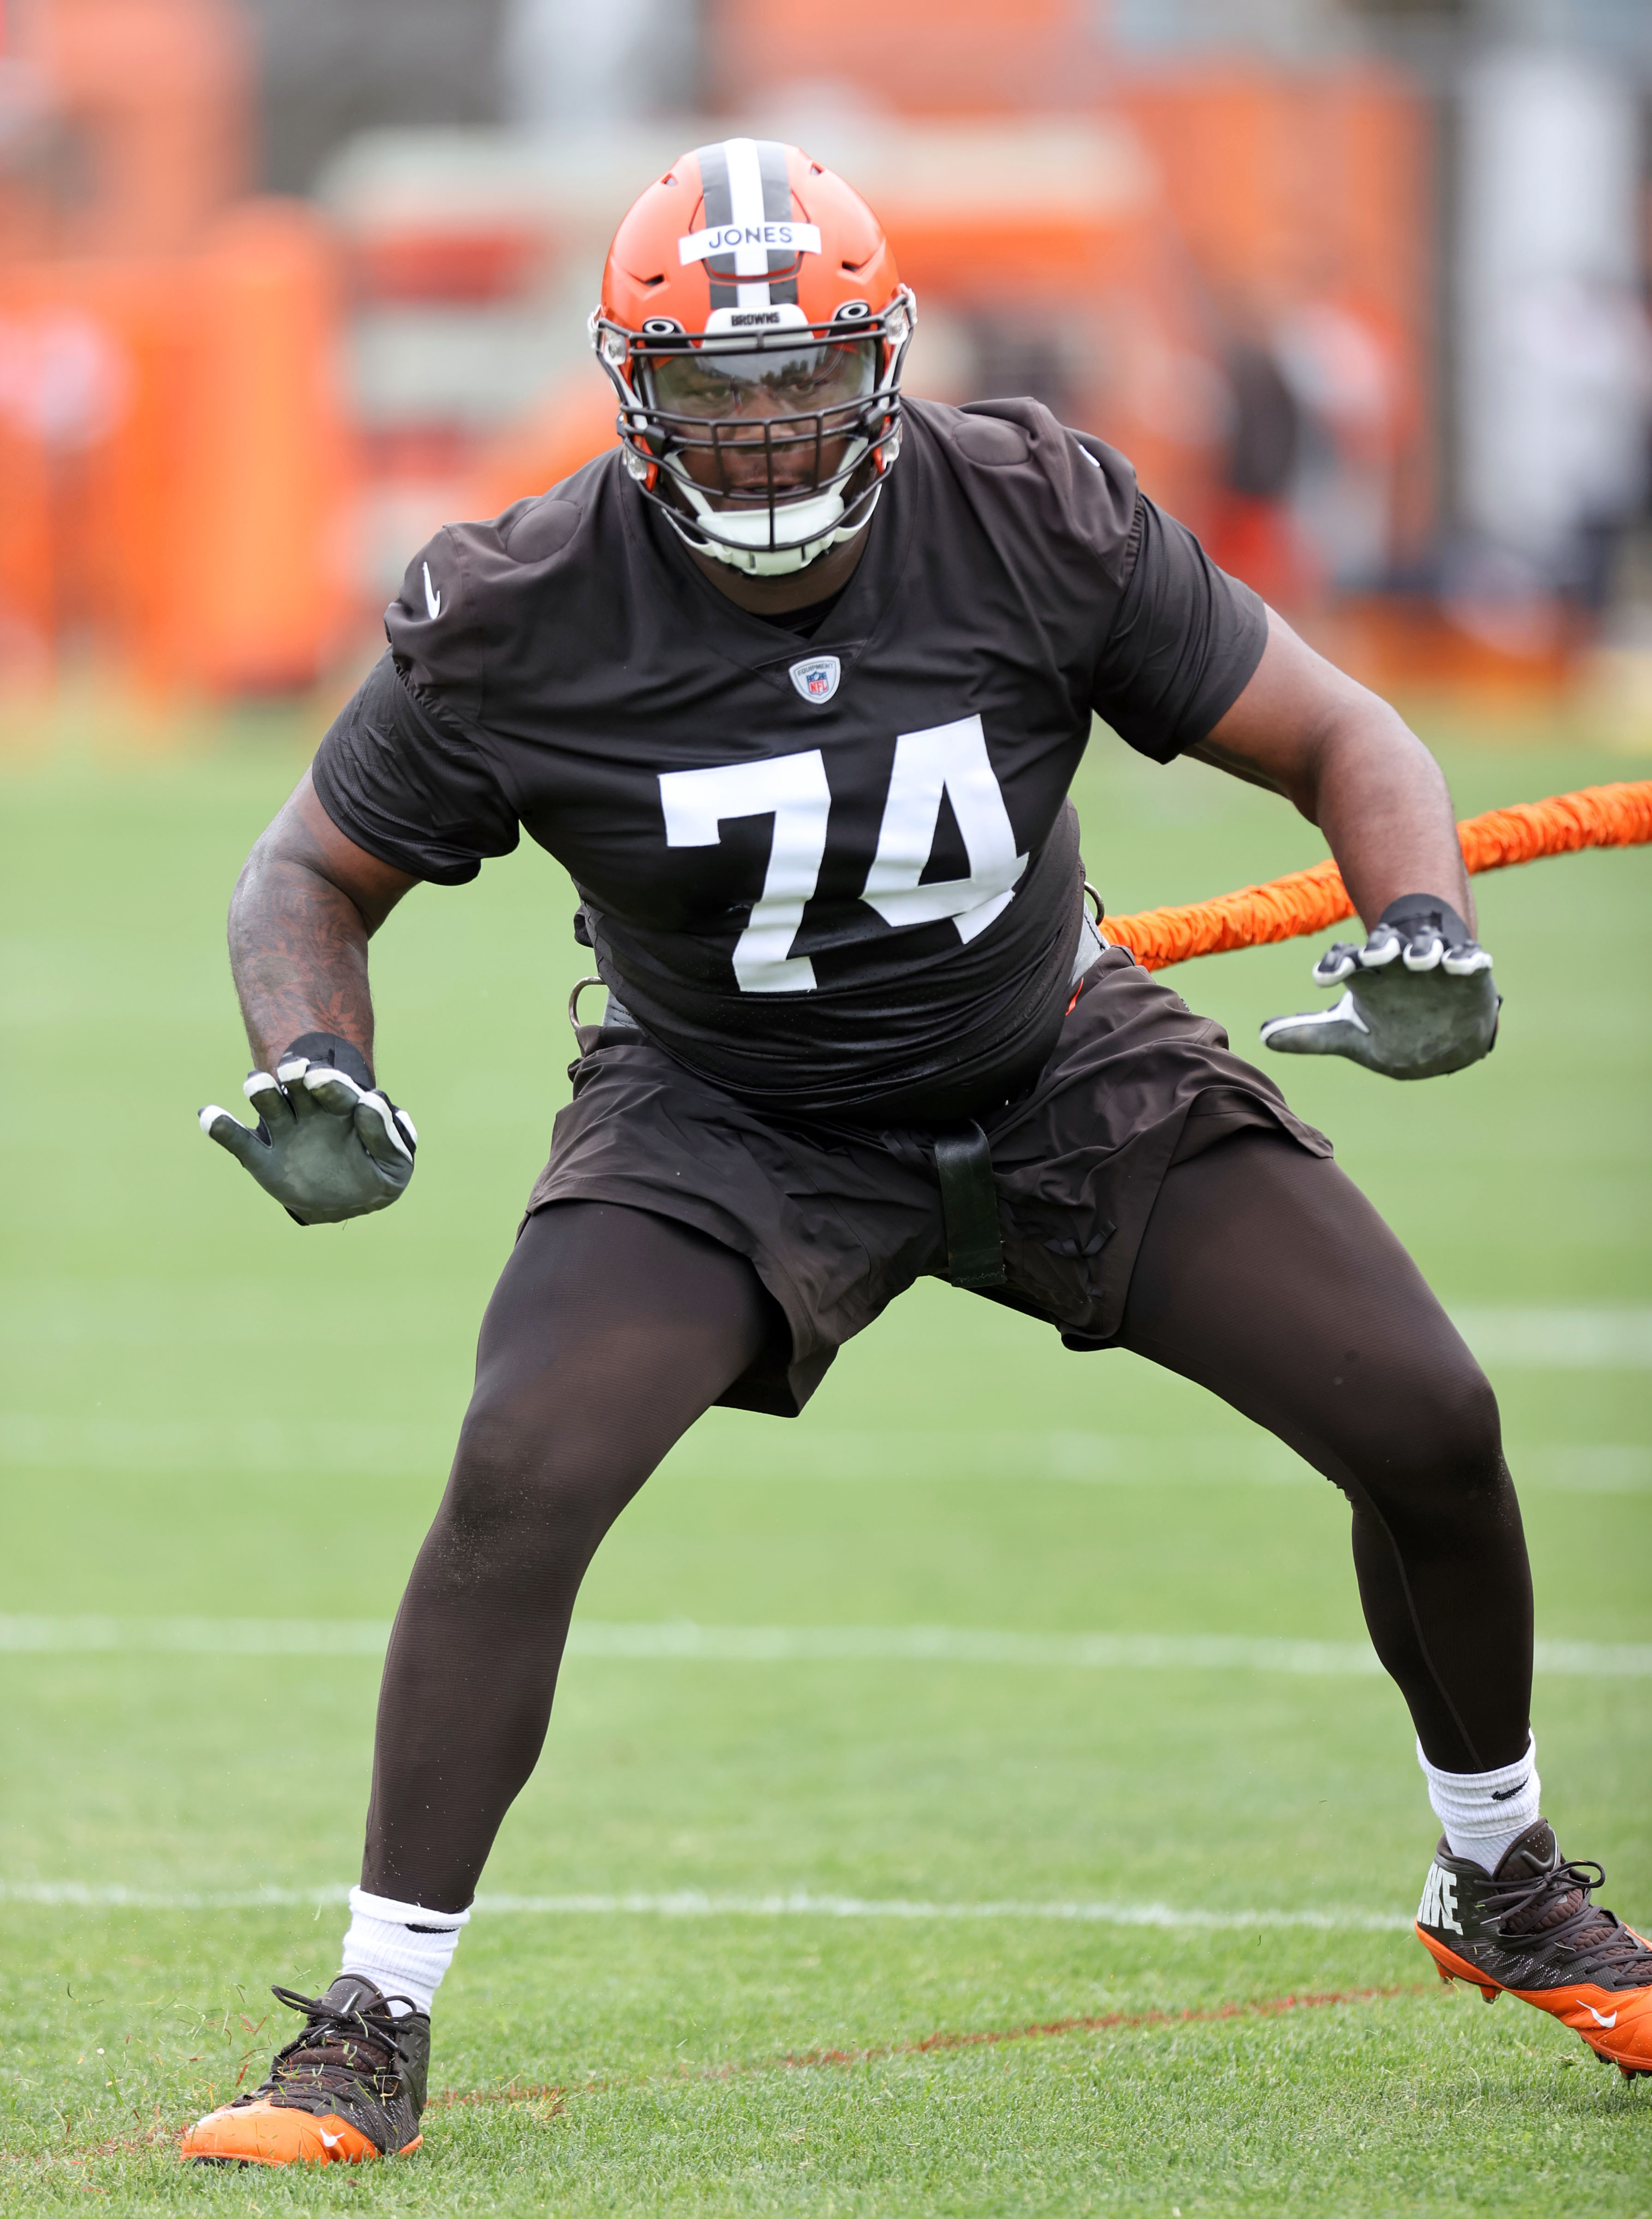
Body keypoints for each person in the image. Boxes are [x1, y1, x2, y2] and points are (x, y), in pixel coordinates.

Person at [181, 140, 1650, 2166]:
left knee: (1421, 1410)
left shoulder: (1031, 509)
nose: (764, 432)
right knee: (523, 1466)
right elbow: (303, 872)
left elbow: (1343, 738)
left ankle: (1496, 1878)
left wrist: (1420, 926)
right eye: (713, 393)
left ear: (882, 370)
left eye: (798, 383)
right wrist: (311, 1051)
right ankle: (370, 2017)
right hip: (727, 1115)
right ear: (630, 397)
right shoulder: (519, 606)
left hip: (1054, 1055)